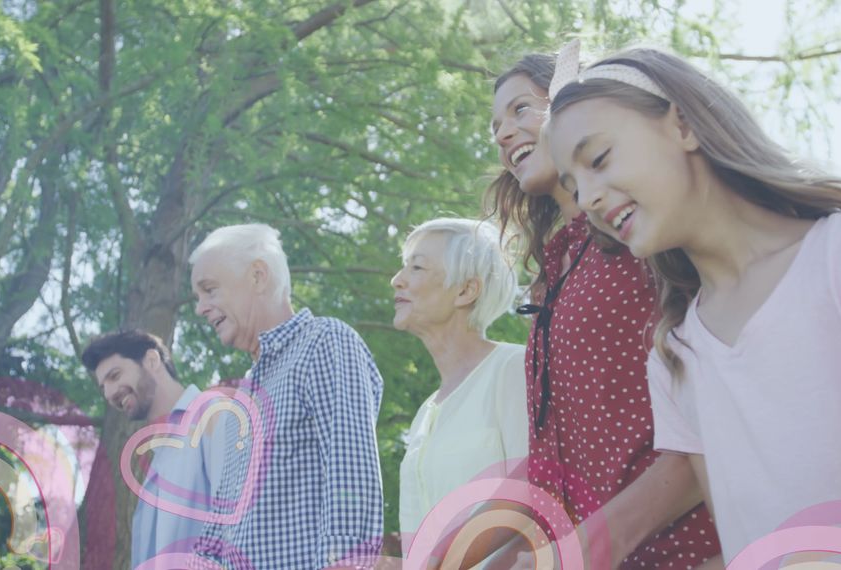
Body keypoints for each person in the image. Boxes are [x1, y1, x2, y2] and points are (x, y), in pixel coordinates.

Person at [545, 45, 841, 566]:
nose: (588, 200)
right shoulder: (675, 356)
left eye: (598, 159)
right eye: (573, 188)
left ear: (684, 125)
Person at [486, 52, 720, 568]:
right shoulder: (552, 278)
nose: (504, 133)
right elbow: (554, 468)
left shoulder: (647, 236)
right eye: (495, 127)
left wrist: (580, 553)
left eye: (520, 110)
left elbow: (703, 426)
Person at [187, 223, 384, 569]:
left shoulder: (324, 342)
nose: (200, 308)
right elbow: (222, 521)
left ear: (258, 276)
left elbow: (351, 476)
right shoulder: (244, 398)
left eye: (210, 290)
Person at [391, 218, 527, 554]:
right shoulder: (425, 412)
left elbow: (533, 496)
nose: (396, 281)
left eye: (417, 267)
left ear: (466, 290)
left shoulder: (512, 369)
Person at [81, 329, 232, 568]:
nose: (109, 393)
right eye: (103, 388)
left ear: (151, 360)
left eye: (115, 375)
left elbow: (236, 526)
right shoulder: (158, 459)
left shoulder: (214, 415)